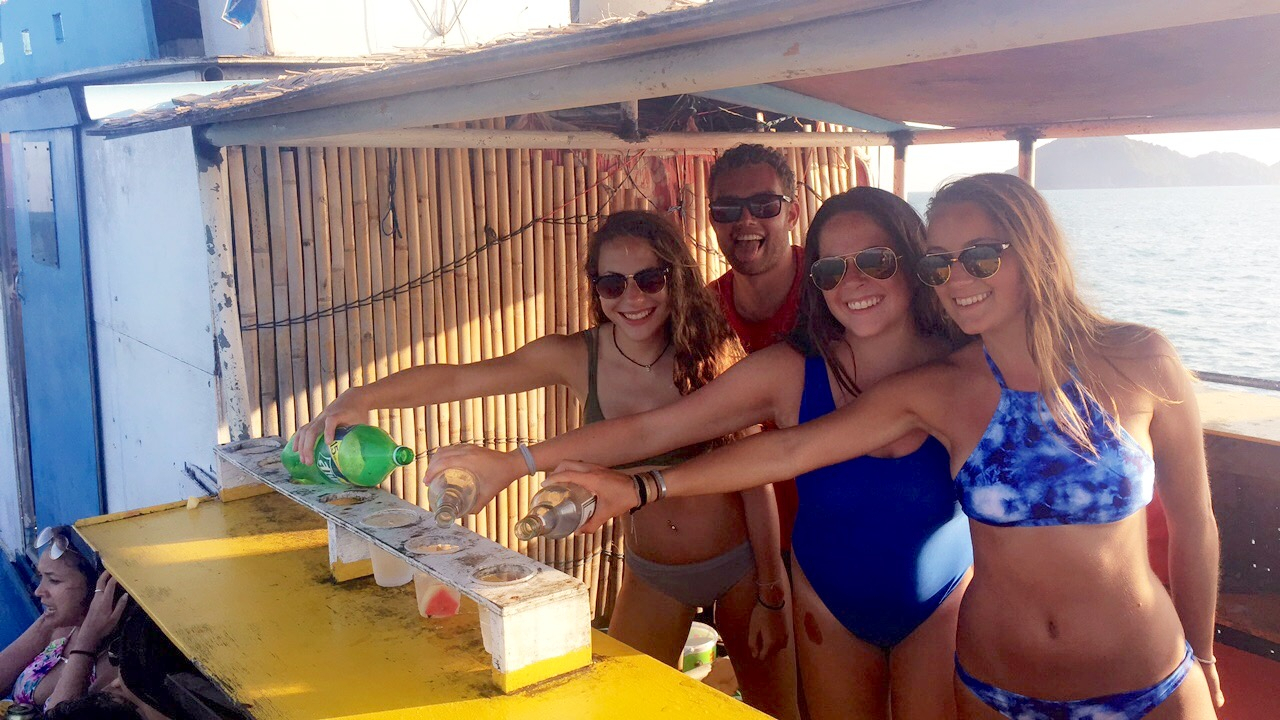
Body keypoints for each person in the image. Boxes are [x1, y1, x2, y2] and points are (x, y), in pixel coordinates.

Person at [559, 174, 1223, 719]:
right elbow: (788, 452)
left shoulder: (1144, 362)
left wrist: (1206, 651)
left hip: (1146, 678)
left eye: (980, 256)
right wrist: (630, 483)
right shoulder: (941, 388)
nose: (958, 276)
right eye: (943, 262)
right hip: (996, 686)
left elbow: (1195, 524)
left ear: (1034, 251)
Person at [428, 187, 975, 719]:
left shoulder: (968, 369)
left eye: (875, 260)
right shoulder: (791, 372)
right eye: (831, 269)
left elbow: (783, 453)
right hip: (829, 608)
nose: (852, 282)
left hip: (941, 604)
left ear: (913, 258)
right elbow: (653, 431)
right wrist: (516, 462)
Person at [291, 210, 799, 719]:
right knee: (622, 711)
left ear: (676, 279)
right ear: (594, 288)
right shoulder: (577, 356)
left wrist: (773, 591)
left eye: (649, 279)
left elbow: (754, 477)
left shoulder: (709, 351)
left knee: (775, 710)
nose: (633, 299)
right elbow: (459, 379)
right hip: (654, 576)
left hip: (740, 570)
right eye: (612, 284)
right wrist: (360, 396)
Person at [704, 144, 806, 554]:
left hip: (834, 536)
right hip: (740, 544)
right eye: (727, 209)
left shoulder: (834, 295)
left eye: (764, 205)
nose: (745, 220)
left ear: (792, 214)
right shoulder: (703, 314)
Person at [2, 527, 129, 711]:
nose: (38, 591)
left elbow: (62, 715)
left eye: (53, 581)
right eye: (41, 577)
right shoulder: (58, 624)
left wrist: (87, 640)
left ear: (97, 587)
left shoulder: (116, 661)